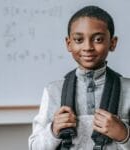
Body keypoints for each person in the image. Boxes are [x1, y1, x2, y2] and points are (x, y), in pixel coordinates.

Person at [28, 5, 130, 150]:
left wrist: (124, 134)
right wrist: (53, 131)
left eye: (98, 39)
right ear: (68, 43)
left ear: (112, 43)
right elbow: (34, 147)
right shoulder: (54, 91)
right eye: (78, 40)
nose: (87, 47)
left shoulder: (128, 89)